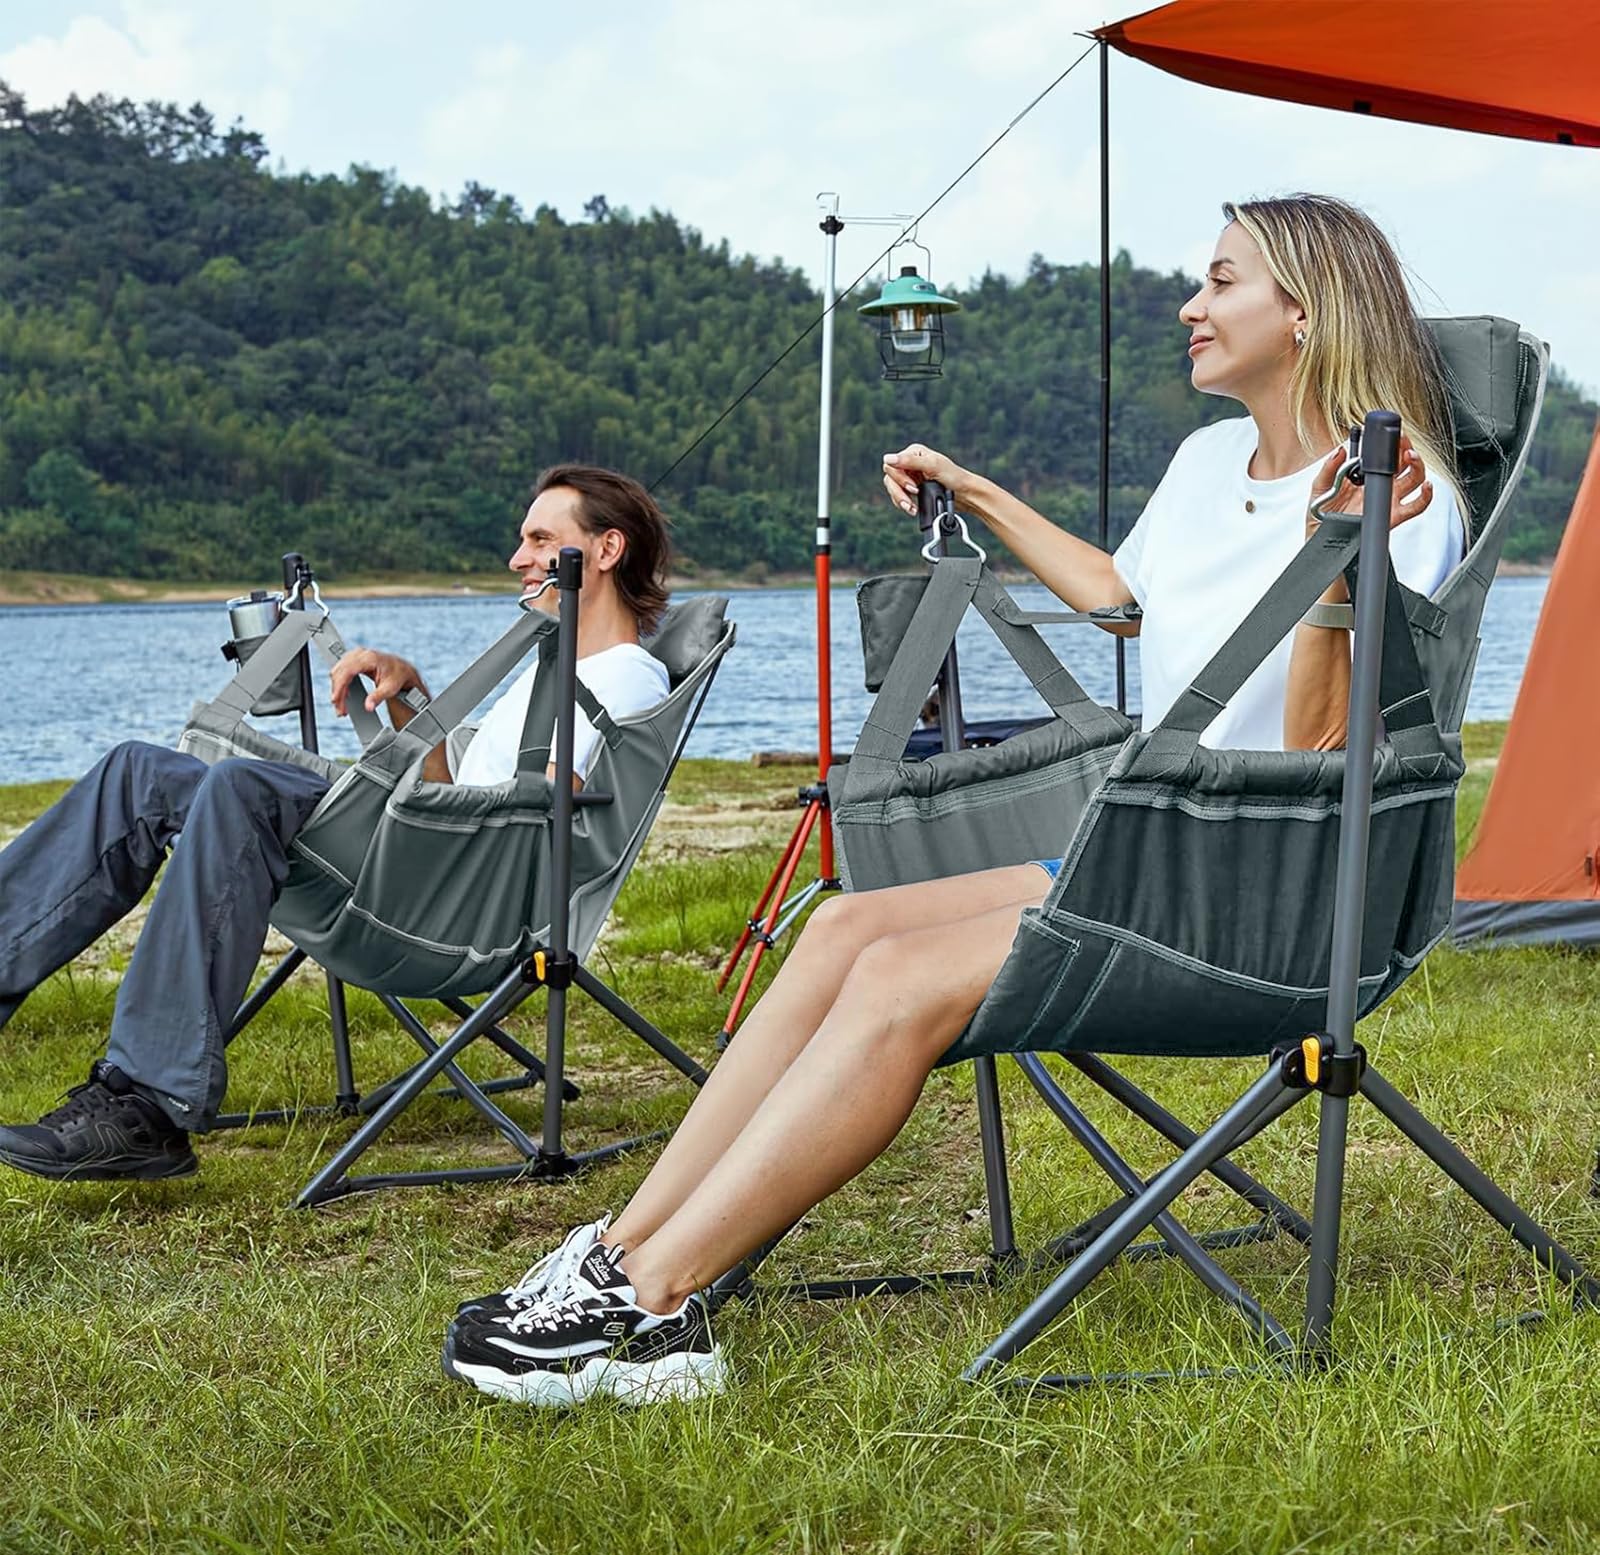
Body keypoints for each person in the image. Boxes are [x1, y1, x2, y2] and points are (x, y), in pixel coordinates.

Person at [440, 193, 1469, 1411]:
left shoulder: (1402, 492)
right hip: (1147, 864)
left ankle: (661, 1300)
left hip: (1273, 900)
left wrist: (1334, 557)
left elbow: (1315, 758)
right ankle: (621, 1251)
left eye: (1220, 280)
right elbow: (1119, 593)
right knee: (844, 925)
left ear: (1304, 311)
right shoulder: (1206, 461)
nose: (1189, 306)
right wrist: (973, 493)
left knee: (897, 978)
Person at [0, 464, 673, 1183]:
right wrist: (413, 700)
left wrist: (375, 800)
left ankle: (146, 1106)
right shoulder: (553, 667)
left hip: (446, 912)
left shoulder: (623, 677)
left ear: (605, 550)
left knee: (238, 788)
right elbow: (462, 794)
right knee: (139, 772)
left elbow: (528, 826)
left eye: (540, 540)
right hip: (422, 863)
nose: (517, 559)